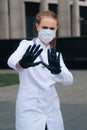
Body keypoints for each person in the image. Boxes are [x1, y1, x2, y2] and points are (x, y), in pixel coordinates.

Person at [7, 10, 73, 130]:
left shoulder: (55, 55)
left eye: (52, 28)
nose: (48, 31)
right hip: (30, 109)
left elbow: (69, 80)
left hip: (51, 109)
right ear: (37, 27)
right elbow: (11, 60)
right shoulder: (26, 45)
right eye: (45, 27)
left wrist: (58, 71)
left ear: (56, 29)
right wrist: (21, 64)